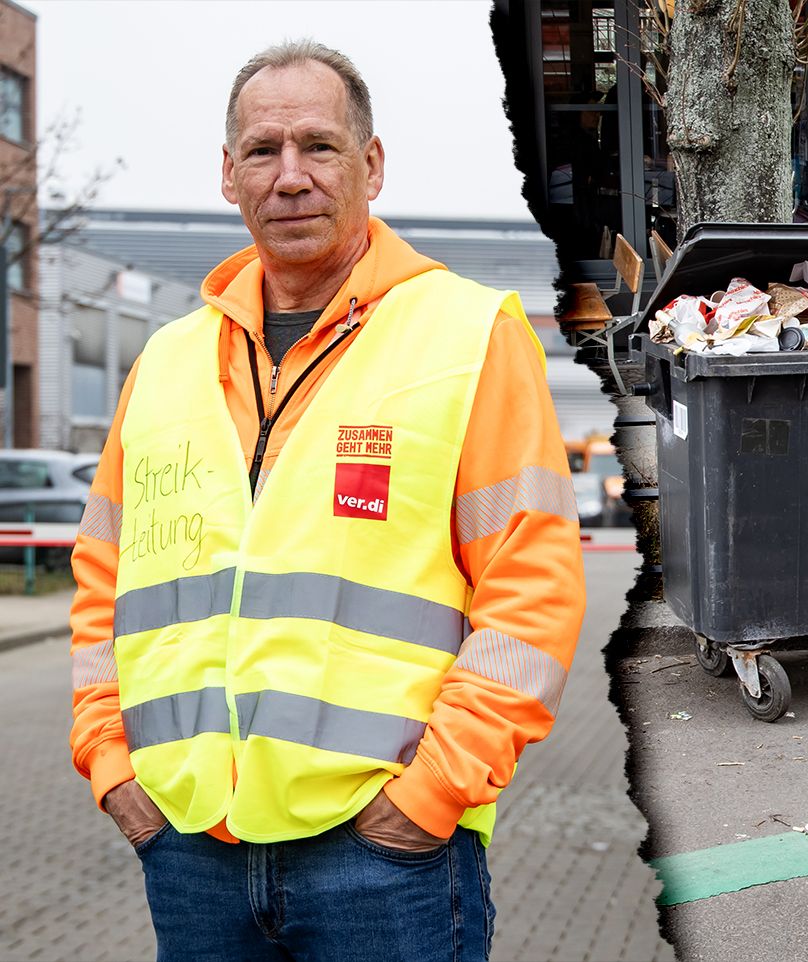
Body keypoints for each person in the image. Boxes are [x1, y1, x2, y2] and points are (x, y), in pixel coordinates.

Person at [67, 40, 584, 960]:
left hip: (382, 858)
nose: (290, 177)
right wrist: (111, 765)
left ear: (372, 164)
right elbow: (103, 583)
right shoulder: (165, 363)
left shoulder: (466, 335)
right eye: (263, 151)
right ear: (229, 175)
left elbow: (531, 596)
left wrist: (426, 800)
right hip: (189, 846)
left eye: (320, 145)